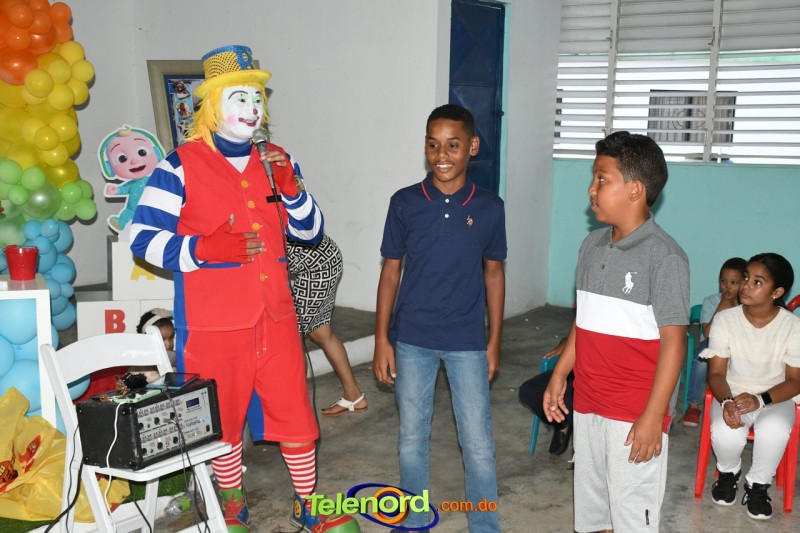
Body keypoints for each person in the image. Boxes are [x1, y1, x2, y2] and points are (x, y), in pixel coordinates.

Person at [130, 45, 353, 532]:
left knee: (296, 414)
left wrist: (292, 189)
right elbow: (141, 239)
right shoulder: (179, 165)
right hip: (213, 324)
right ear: (212, 106)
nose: (252, 109)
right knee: (222, 419)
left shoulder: (277, 160)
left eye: (257, 98)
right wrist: (204, 248)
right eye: (239, 98)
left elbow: (311, 232)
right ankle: (232, 506)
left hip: (276, 317)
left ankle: (308, 503)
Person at [543, 131, 689, 532]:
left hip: (634, 412)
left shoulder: (665, 257)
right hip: (589, 404)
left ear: (635, 190)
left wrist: (653, 415)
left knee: (631, 516)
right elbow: (585, 321)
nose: (591, 189)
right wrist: (560, 374)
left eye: (602, 179)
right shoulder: (590, 246)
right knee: (595, 513)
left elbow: (675, 342)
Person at [373, 104, 506, 532]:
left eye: (452, 145)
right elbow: (390, 272)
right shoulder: (405, 203)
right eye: (433, 145)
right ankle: (414, 518)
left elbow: (494, 274)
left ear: (472, 147)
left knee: (478, 444)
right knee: (411, 439)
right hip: (412, 338)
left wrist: (493, 341)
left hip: (467, 340)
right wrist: (381, 339)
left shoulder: (489, 207)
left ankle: (484, 526)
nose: (441, 156)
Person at [703, 253, 800, 520]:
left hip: (776, 396)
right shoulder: (726, 319)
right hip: (732, 392)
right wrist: (727, 402)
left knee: (774, 429)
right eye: (746, 277)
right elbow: (717, 373)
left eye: (757, 282)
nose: (746, 285)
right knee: (726, 430)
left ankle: (758, 485)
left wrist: (760, 399)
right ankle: (729, 473)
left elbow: (795, 380)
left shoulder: (793, 327)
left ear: (777, 292)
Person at [287, 235, 367, 416]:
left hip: (316, 266)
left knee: (292, 336)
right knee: (321, 333)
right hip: (325, 257)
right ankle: (354, 396)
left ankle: (296, 410)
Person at [679, 257, 747, 427]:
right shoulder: (711, 302)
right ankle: (693, 406)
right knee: (701, 360)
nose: (727, 287)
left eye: (734, 282)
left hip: (738, 347)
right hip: (711, 345)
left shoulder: (747, 304)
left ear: (744, 283)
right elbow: (708, 334)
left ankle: (743, 404)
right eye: (723, 281)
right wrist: (722, 306)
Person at [99, 124, 165, 233]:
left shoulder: (156, 179)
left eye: (142, 152)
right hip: (133, 209)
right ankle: (121, 222)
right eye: (122, 158)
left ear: (156, 153)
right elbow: (124, 189)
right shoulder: (132, 184)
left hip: (153, 208)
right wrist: (116, 190)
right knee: (127, 213)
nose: (134, 161)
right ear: (109, 167)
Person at [518, 337, 575, 455]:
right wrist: (564, 345)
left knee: (573, 398)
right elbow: (572, 335)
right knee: (528, 390)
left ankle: (569, 422)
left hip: (596, 379)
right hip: (571, 370)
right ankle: (561, 423)